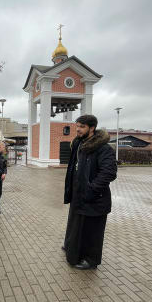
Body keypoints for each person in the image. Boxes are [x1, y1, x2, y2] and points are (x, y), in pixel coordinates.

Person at [63, 115, 117, 269]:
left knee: (92, 232)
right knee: (77, 226)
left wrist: (91, 190)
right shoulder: (79, 144)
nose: (78, 129)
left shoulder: (103, 148)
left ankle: (91, 260)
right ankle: (72, 248)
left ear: (92, 128)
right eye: (77, 126)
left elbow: (109, 172)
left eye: (82, 126)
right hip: (78, 196)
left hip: (94, 199)